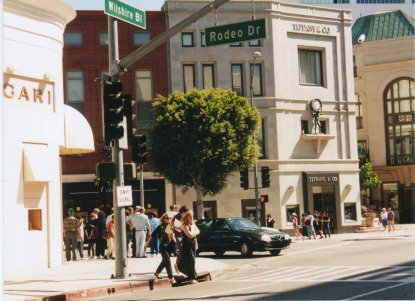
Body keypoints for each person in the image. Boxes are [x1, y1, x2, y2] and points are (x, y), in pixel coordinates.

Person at [146, 213, 176, 284]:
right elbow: (152, 235)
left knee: (164, 261)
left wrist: (174, 238)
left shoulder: (171, 226)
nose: (169, 219)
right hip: (163, 246)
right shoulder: (160, 227)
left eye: (170, 218)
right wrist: (147, 243)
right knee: (168, 261)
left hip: (169, 246)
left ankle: (157, 273)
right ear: (163, 219)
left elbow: (173, 235)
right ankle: (171, 278)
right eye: (167, 218)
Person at [178, 210, 199, 284]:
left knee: (192, 260)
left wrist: (194, 233)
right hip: (187, 244)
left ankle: (192, 275)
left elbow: (198, 231)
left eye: (192, 216)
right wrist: (195, 233)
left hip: (193, 243)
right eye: (190, 216)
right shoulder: (184, 225)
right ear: (186, 217)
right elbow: (189, 235)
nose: (191, 218)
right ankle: (193, 277)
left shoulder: (192, 224)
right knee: (191, 259)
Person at [172, 206, 188, 273]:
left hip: (183, 235)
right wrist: (182, 228)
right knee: (180, 250)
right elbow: (175, 226)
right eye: (185, 213)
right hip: (178, 235)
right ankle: (177, 264)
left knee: (184, 251)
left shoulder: (184, 217)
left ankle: (180, 265)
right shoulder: (177, 217)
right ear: (183, 212)